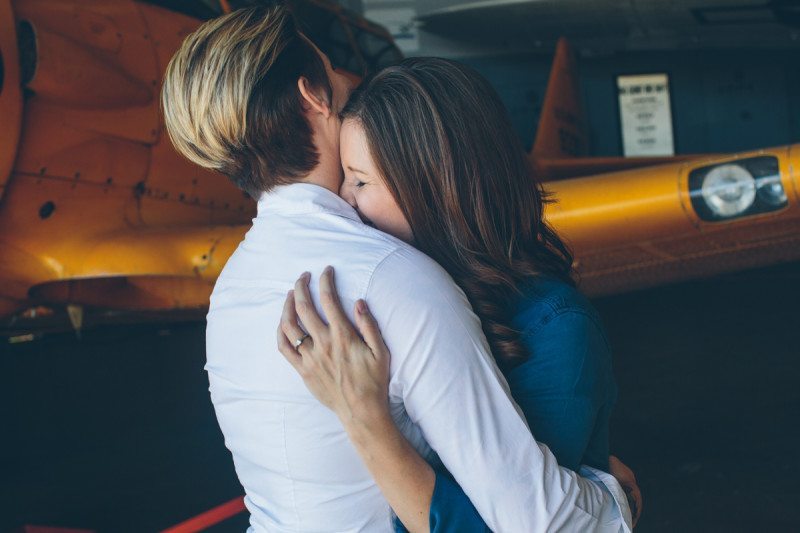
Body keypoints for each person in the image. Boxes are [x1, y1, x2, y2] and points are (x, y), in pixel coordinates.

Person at [161, 5, 632, 532]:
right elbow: (542, 521)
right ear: (311, 96)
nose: (346, 78)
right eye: (331, 67)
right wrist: (615, 498)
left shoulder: (232, 286)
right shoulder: (393, 278)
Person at [277, 57, 643, 531]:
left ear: (434, 186)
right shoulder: (409, 290)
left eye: (361, 180)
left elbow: (494, 526)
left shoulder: (558, 329)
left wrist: (361, 415)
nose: (343, 198)